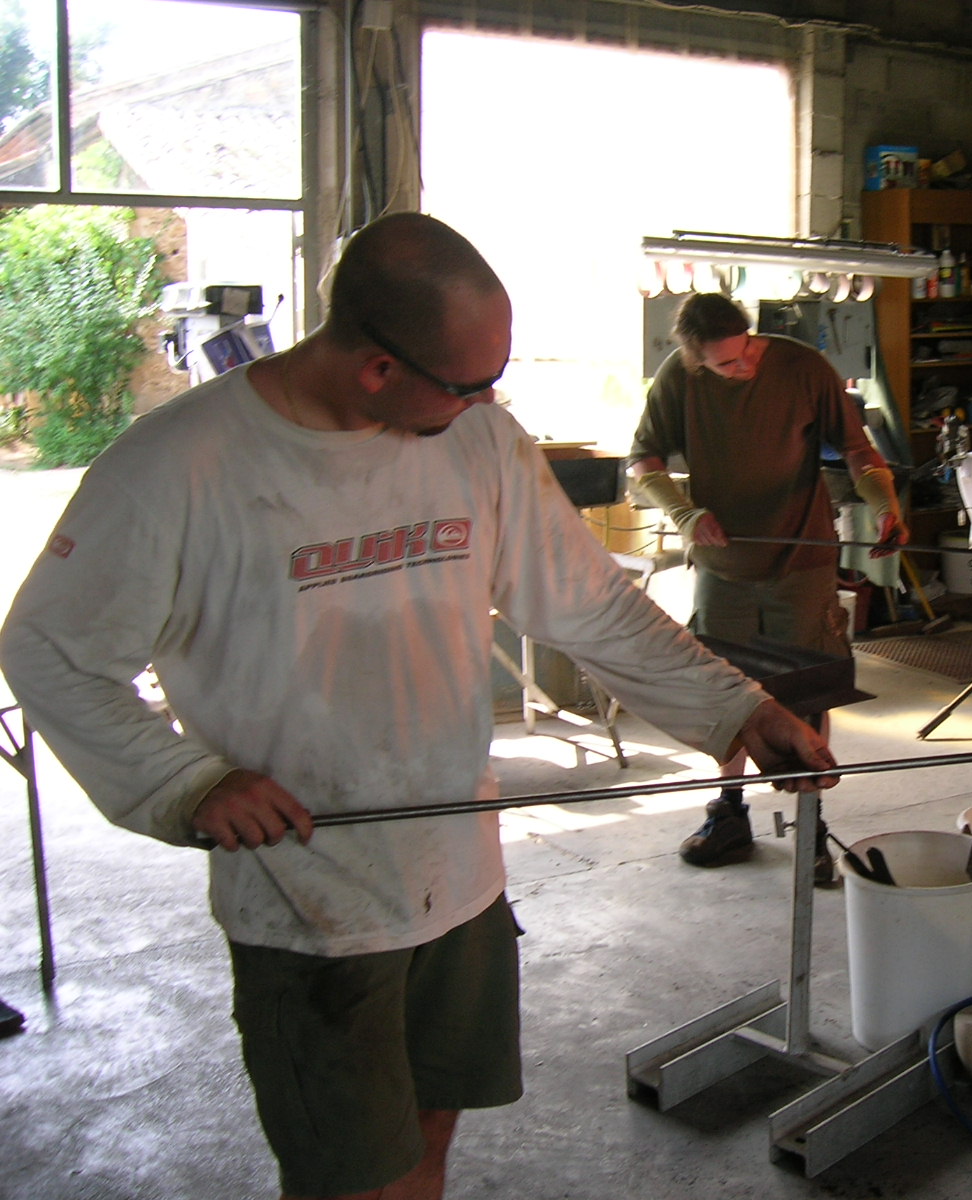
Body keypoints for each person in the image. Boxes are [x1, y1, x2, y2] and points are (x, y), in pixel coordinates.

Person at [0, 213, 838, 1200]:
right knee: (356, 1178)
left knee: (430, 1144)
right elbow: (49, 650)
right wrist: (185, 782)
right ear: (376, 368)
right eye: (468, 384)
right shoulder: (180, 464)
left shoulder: (477, 439)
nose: (489, 404)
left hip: (459, 877)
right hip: (312, 906)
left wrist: (738, 710)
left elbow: (590, 605)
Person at [627, 292, 906, 879]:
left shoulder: (803, 367)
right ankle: (729, 812)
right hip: (724, 566)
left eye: (748, 349)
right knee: (725, 690)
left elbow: (856, 449)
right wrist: (684, 514)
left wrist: (884, 503)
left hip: (802, 560)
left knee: (811, 688)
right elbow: (643, 462)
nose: (745, 365)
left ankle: (812, 825)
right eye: (727, 363)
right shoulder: (678, 379)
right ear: (696, 359)